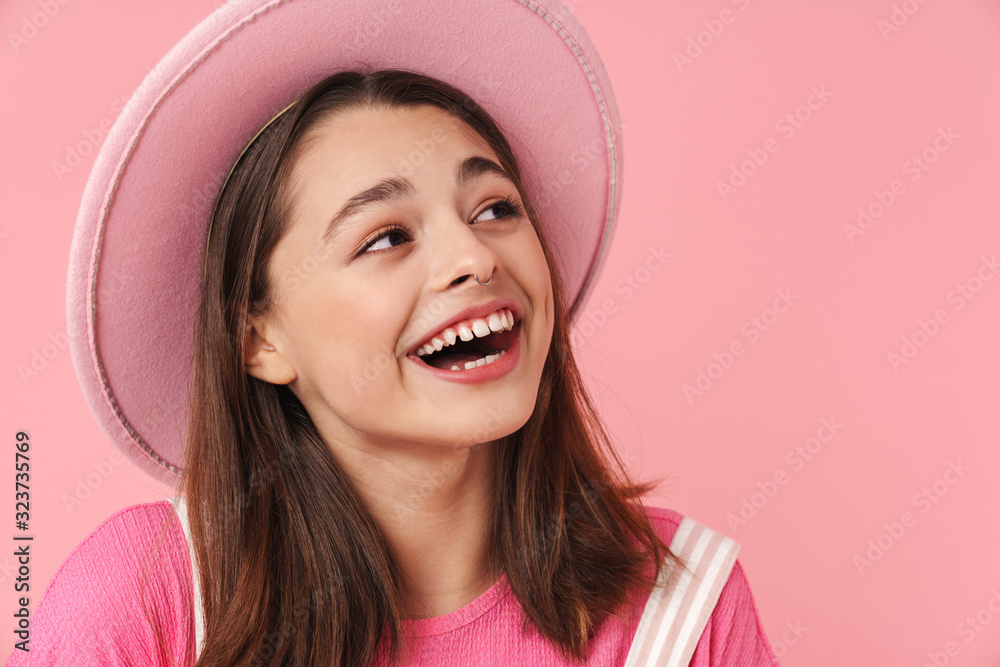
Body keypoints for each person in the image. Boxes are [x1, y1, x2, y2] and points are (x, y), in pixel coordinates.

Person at [7, 1, 780, 666]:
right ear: (259, 339)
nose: (475, 256)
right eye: (385, 237)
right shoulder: (148, 594)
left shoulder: (682, 610)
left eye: (495, 209)